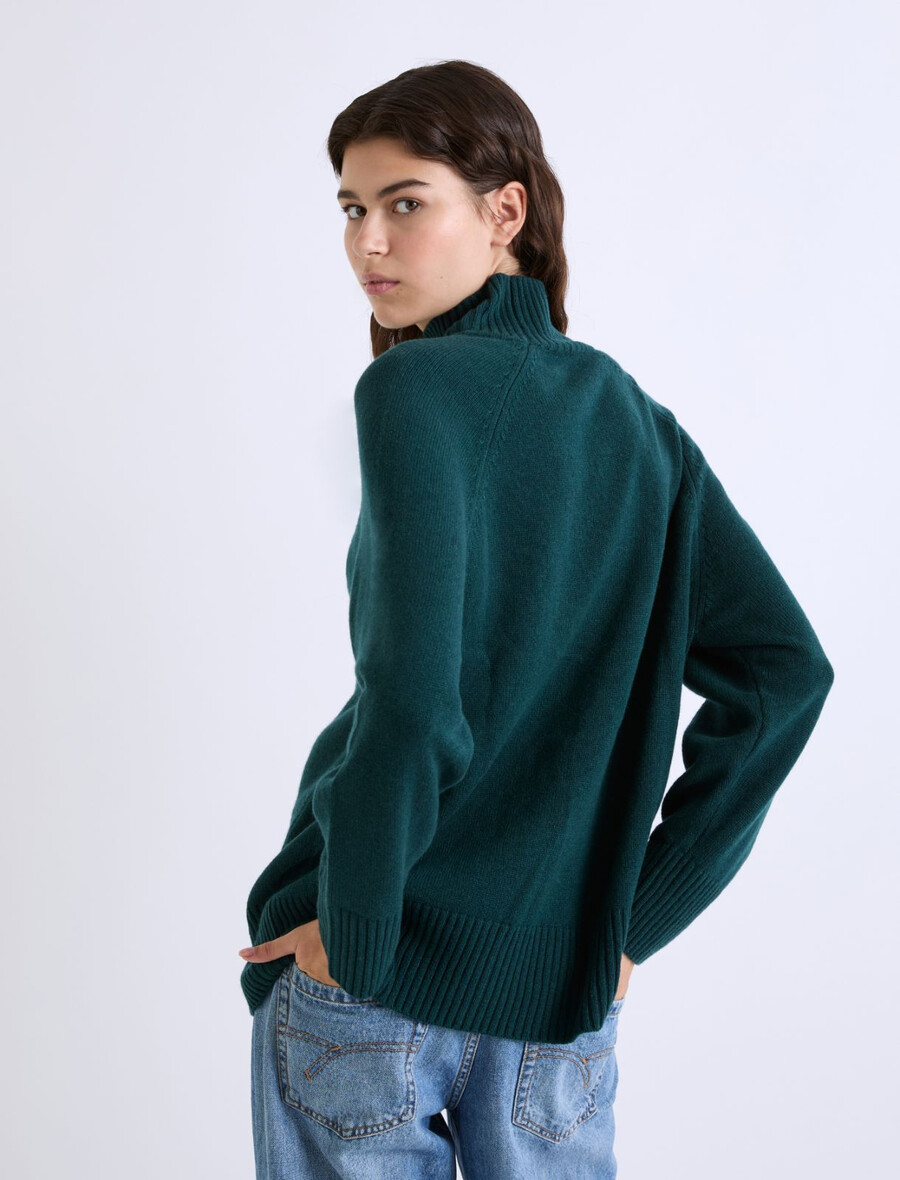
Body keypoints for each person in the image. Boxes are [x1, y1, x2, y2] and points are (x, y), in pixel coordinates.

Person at [237, 60, 834, 1179]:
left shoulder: (411, 389)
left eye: (405, 203)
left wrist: (355, 934)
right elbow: (785, 675)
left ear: (505, 212)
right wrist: (630, 924)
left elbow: (415, 700)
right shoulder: (640, 427)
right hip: (560, 999)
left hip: (376, 980)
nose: (369, 243)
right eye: (351, 209)